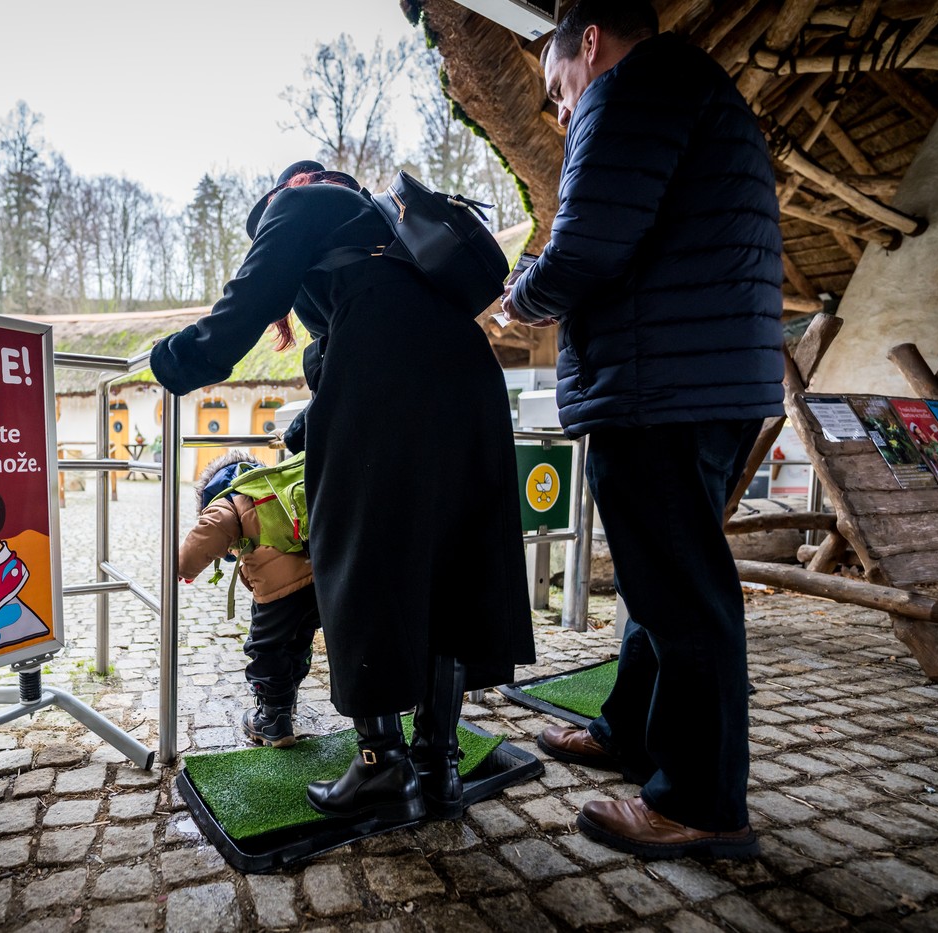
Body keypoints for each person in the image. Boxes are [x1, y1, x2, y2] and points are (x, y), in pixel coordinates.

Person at [153, 160, 534, 823]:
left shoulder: (303, 201)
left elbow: (241, 307)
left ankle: (381, 764)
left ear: (288, 189)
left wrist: (174, 361)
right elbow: (355, 351)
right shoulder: (388, 236)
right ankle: (437, 766)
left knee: (361, 558)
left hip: (392, 376)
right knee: (447, 562)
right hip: (469, 377)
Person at [503, 0, 785, 860]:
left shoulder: (629, 89)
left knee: (683, 591)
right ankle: (630, 727)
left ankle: (700, 802)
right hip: (698, 373)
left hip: (661, 381)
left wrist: (520, 298)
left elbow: (589, 244)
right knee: (656, 579)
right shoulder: (695, 91)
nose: (560, 109)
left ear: (590, 42)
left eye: (558, 86)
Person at [179, 450, 320, 749]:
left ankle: (273, 718)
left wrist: (182, 568)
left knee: (265, 646)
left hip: (278, 592)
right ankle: (287, 699)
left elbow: (208, 533)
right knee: (299, 641)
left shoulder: (231, 498)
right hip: (318, 582)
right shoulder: (271, 485)